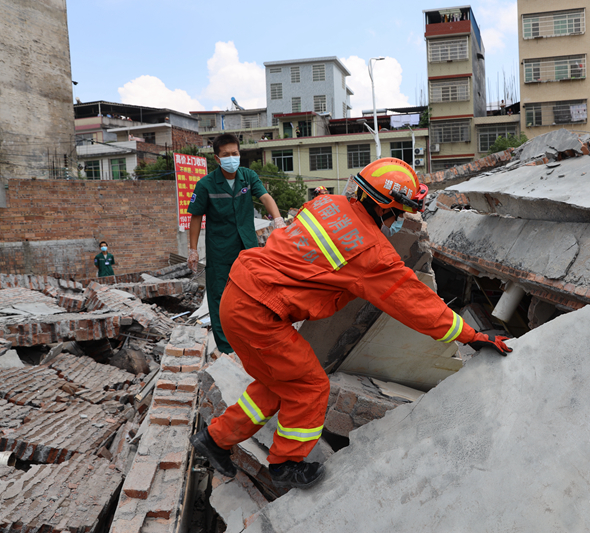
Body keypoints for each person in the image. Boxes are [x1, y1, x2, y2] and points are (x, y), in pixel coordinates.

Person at [190, 157, 512, 489]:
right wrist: (470, 335)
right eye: (400, 212)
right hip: (260, 315)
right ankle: (285, 464)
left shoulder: (326, 204)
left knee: (277, 385)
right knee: (310, 386)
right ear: (386, 207)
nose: (400, 219)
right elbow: (414, 301)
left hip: (239, 296)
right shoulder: (369, 250)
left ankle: (214, 441)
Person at [187, 133, 286, 356]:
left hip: (247, 246)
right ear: (217, 158)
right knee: (219, 297)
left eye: (235, 153)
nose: (232, 158)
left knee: (252, 293)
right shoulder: (206, 184)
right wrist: (193, 250)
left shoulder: (248, 177)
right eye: (226, 155)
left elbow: (266, 197)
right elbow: (195, 217)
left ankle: (252, 340)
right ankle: (226, 348)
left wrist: (278, 221)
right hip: (219, 249)